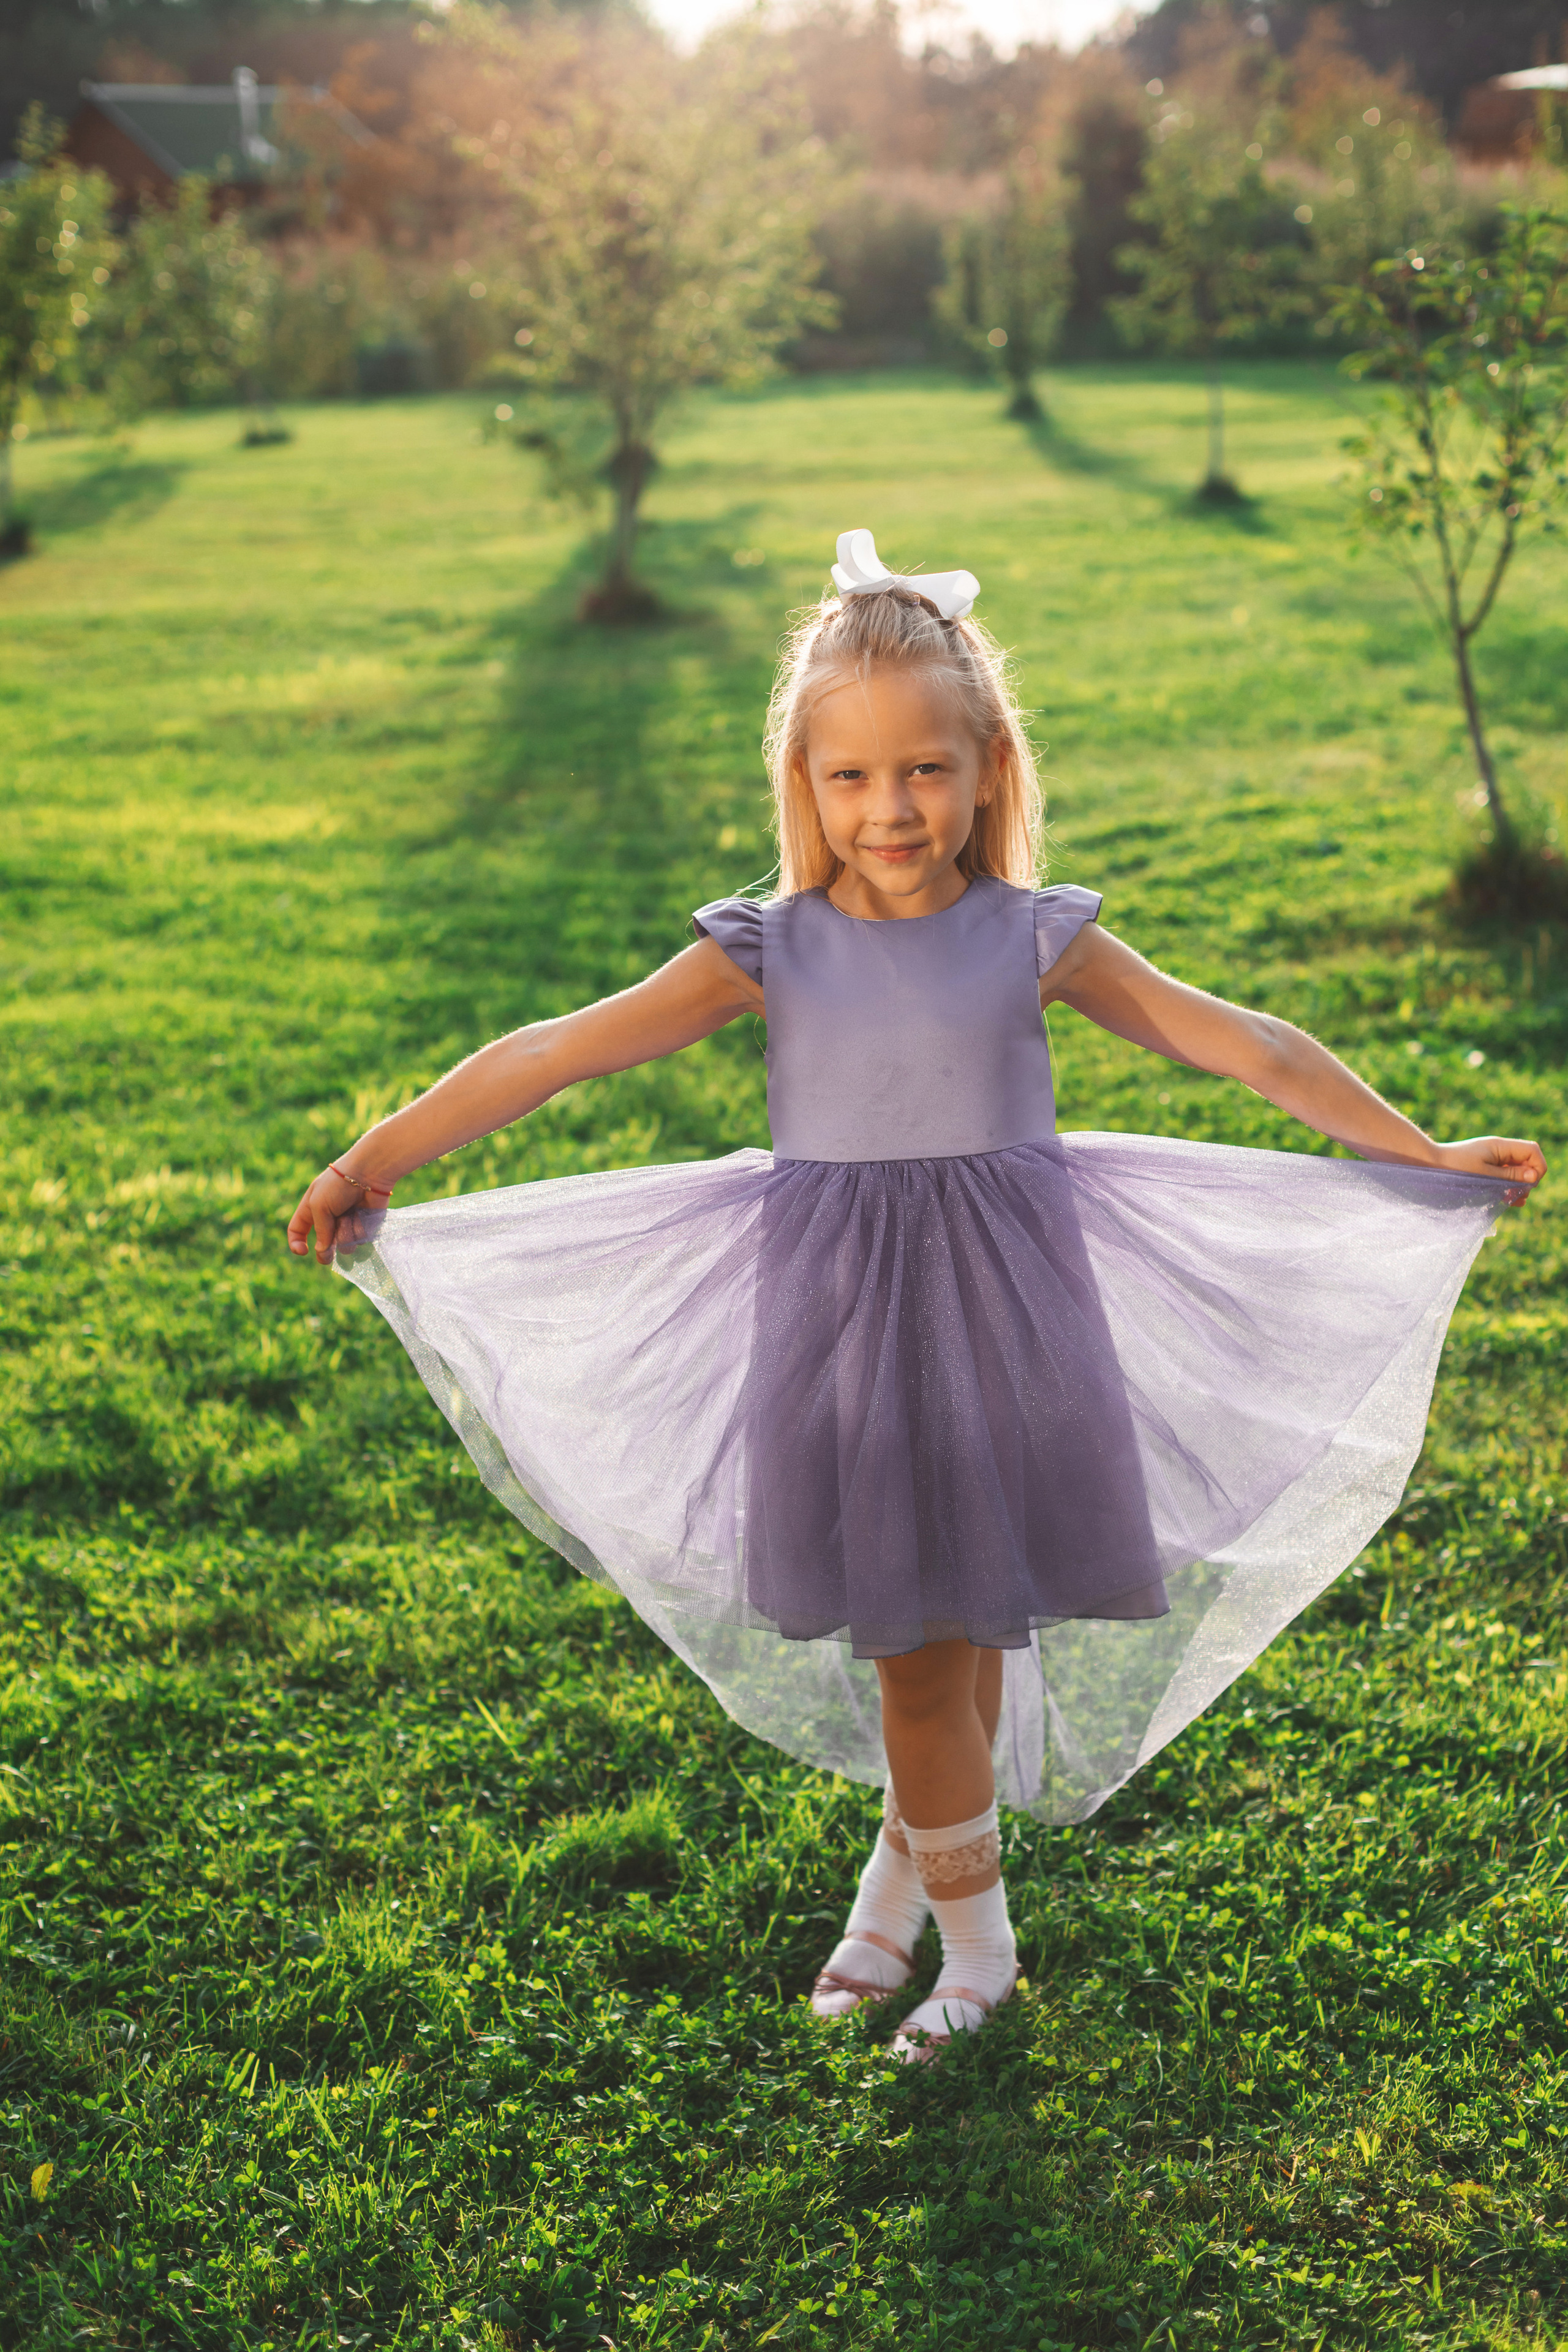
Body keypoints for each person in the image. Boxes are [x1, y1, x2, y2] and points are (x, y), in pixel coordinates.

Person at [287, 530, 1544, 2062]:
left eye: (926, 773)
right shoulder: (767, 952)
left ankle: (966, 1939)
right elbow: (560, 1048)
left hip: (1012, 1329)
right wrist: (377, 1154)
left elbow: (1246, 1045)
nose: (892, 811)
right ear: (800, 786)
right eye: (851, 779)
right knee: (917, 1653)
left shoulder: (1033, 937)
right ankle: (922, 1903)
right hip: (846, 1339)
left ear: (985, 763)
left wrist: (1414, 1153)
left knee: (942, 1649)